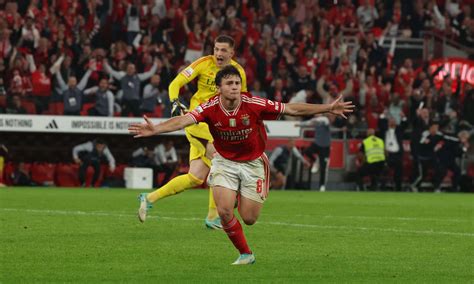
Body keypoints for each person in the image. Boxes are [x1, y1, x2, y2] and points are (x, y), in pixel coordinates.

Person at [129, 65, 354, 265]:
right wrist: (156, 129)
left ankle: (239, 194)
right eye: (229, 83)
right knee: (225, 211)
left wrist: (327, 108)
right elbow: (183, 120)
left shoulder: (253, 104)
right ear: (219, 88)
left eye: (237, 83)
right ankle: (246, 254)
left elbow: (291, 109)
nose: (235, 87)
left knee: (249, 218)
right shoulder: (209, 107)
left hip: (253, 164)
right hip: (224, 162)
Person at [140, 35, 248, 229]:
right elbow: (175, 83)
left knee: (196, 177)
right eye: (216, 49)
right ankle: (213, 216)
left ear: (232, 53)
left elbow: (242, 100)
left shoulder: (238, 72)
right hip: (198, 121)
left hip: (218, 124)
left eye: (223, 50)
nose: (218, 54)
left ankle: (148, 198)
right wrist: (175, 102)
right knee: (220, 162)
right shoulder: (203, 63)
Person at [299, 114, 332, 192]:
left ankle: (322, 186)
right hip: (317, 144)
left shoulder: (324, 120)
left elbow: (323, 120)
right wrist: (299, 124)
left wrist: (316, 119)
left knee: (323, 167)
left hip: (325, 147)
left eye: (317, 114)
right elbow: (308, 122)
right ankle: (315, 160)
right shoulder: (315, 121)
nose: (316, 116)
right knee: (306, 151)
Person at [378, 112, 407, 191]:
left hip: (397, 154)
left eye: (393, 121)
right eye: (390, 121)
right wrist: (383, 115)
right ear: (388, 122)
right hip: (387, 154)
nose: (392, 122)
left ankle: (398, 188)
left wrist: (403, 117)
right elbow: (380, 123)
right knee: (384, 170)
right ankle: (382, 187)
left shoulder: (399, 130)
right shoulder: (384, 130)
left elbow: (405, 125)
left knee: (399, 172)